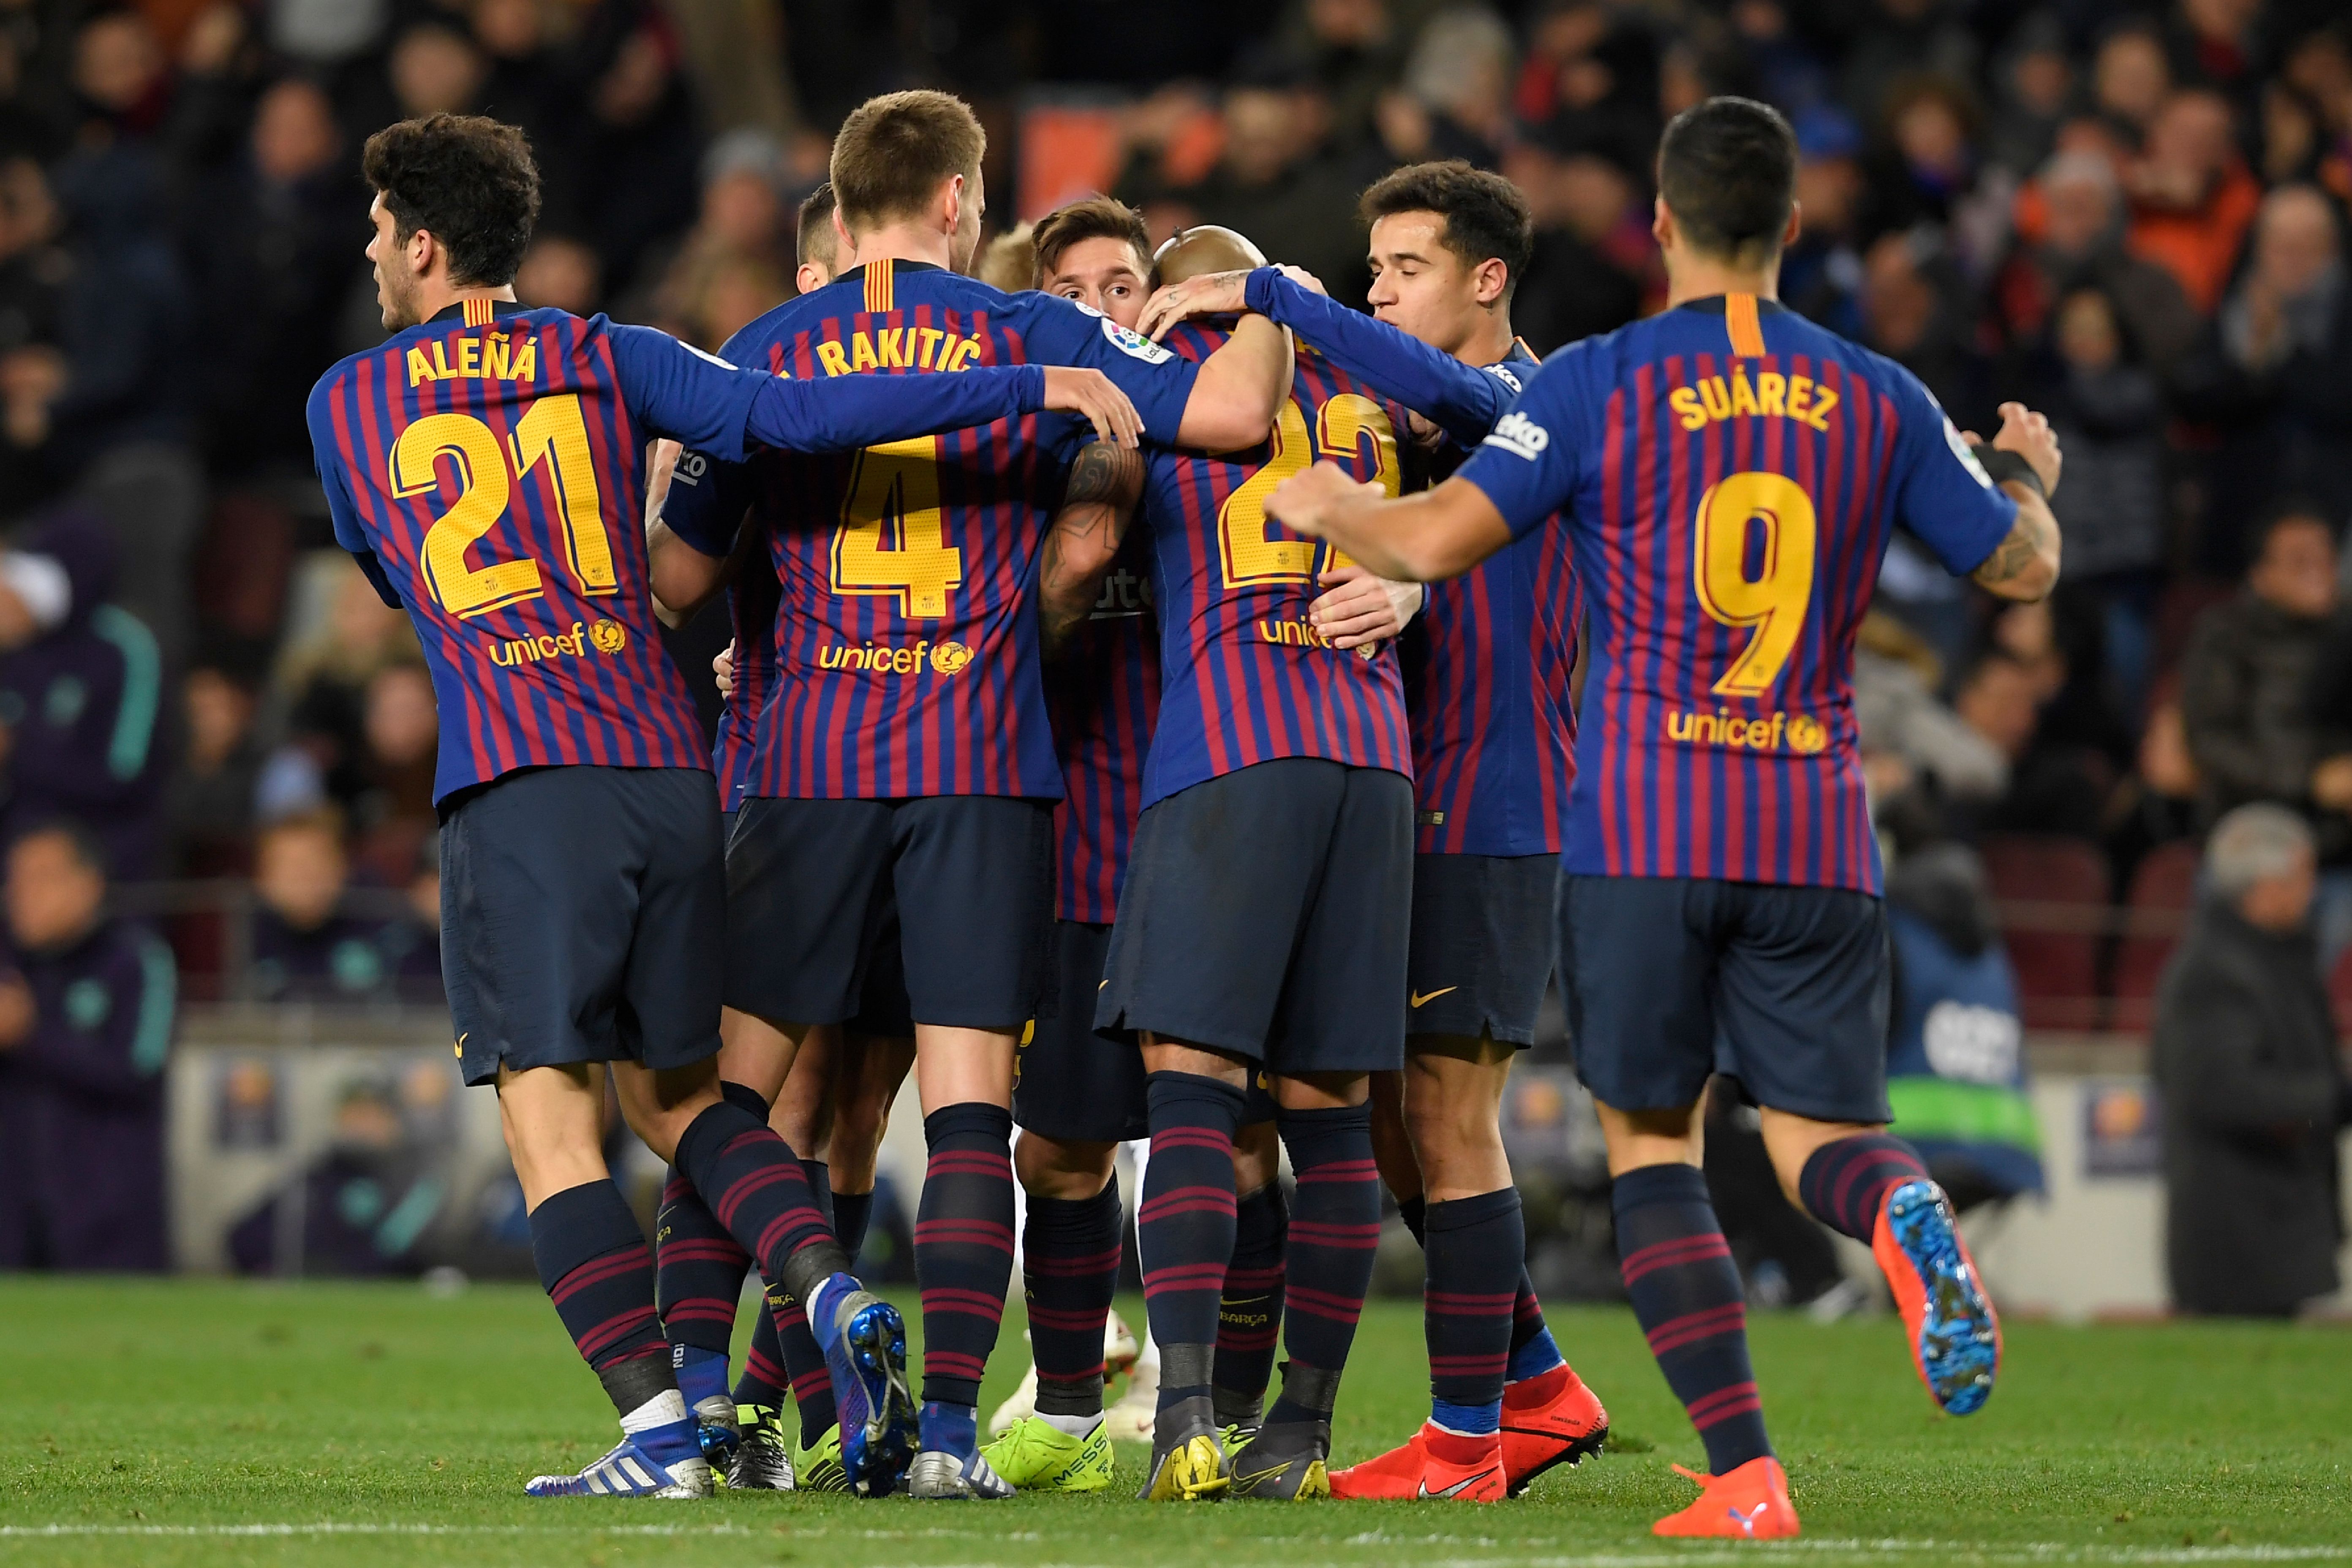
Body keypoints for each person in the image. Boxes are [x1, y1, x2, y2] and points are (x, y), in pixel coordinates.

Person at [304, 110, 1143, 1501]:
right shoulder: (614, 354)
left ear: (428, 246)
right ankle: (836, 1303)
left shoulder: (347, 402)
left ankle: (665, 1429)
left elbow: (410, 577)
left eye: (384, 231)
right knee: (684, 1097)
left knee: (554, 1124)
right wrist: (1031, 379)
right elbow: (792, 417)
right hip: (673, 773)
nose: (374, 253)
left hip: (526, 775)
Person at [1263, 95, 2063, 1538]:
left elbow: (1435, 536)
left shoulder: (1597, 384)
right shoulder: (1874, 392)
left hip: (1643, 822)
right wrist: (2026, 477)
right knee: (1818, 1136)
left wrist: (1332, 510)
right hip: (1816, 827)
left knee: (1649, 1147)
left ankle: (1732, 1472)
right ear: (1793, 224)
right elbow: (2020, 568)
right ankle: (1892, 1214)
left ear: (1660, 222)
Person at [647, 90, 1290, 1501]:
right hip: (982, 764)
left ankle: (696, 1421)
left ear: (842, 204)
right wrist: (1269, 291)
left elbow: (675, 577)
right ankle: (946, 1439)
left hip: (807, 764)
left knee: (729, 1105)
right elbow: (1237, 411)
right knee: (963, 1121)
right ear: (956, 200)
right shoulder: (1034, 336)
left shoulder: (765, 349)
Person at [1140, 159, 1609, 1503]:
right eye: (1370, 272)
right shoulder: (1408, 417)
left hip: (1491, 811)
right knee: (1387, 1128)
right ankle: (1535, 1385)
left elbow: (1463, 527)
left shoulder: (1537, 403)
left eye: (1406, 269)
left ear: (1487, 279)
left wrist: (1277, 296)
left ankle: (1466, 1440)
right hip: (1403, 797)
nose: (1379, 294)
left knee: (1448, 1126)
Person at [1035, 220, 1417, 1505]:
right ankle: (1299, 1434)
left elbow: (1087, 550)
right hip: (1374, 759)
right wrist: (1413, 588)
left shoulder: (1173, 386)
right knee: (1329, 1113)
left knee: (1191, 1092)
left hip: (1234, 749)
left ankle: (1185, 1416)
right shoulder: (1367, 391)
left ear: (1183, 303)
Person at [2151, 805, 2352, 1318]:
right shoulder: (2213, 971)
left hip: (2278, 1227)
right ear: (2265, 884)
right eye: (2303, 876)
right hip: (2235, 1238)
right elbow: (2221, 1091)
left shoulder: (2278, 960)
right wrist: (2334, 1096)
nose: (2312, 891)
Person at [0, 822, 175, 1272]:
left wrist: (30, 1035)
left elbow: (139, 1071)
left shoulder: (135, 960)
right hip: (13, 1223)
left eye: (41, 878)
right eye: (14, 880)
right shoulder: (10, 966)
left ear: (87, 885)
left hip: (109, 1226)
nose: (21, 894)